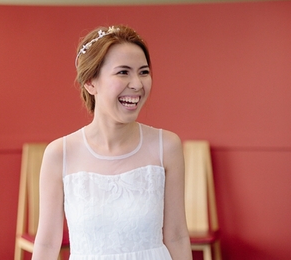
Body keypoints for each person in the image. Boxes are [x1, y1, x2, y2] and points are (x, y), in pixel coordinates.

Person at [32, 25, 192, 260]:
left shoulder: (166, 146)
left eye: (144, 72)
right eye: (123, 72)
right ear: (90, 82)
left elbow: (177, 235)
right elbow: (47, 244)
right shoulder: (60, 154)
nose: (137, 84)